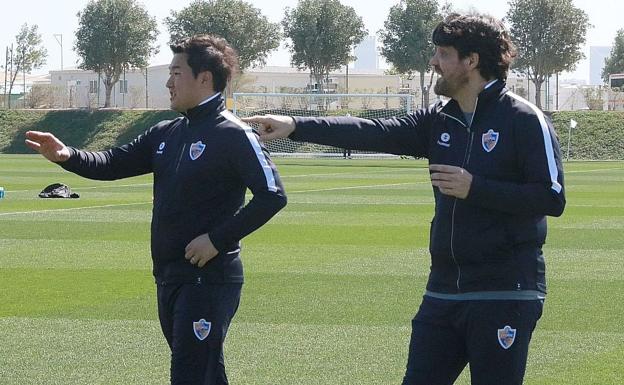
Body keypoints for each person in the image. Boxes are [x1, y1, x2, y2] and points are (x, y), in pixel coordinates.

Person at [243, 13, 565, 385]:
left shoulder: (524, 119)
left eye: (443, 54)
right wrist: (296, 126)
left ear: (471, 61)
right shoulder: (439, 120)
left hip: (504, 291)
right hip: (443, 292)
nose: (433, 62)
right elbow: (374, 131)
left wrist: (475, 187)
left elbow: (551, 197)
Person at [25, 35, 287, 385]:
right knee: (204, 373)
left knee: (189, 375)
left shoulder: (235, 135)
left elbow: (273, 195)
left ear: (205, 78)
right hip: (168, 275)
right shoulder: (167, 132)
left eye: (177, 73)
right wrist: (67, 155)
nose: (168, 82)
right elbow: (113, 162)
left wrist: (217, 240)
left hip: (207, 279)